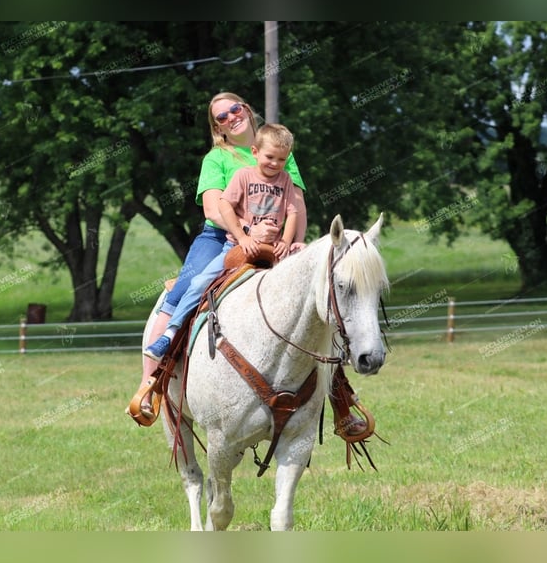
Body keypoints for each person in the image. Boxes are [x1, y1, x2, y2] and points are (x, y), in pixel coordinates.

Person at [130, 92, 368, 443]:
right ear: (218, 128)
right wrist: (246, 233)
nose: (230, 117)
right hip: (222, 237)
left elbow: (295, 205)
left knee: (317, 303)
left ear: (247, 109)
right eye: (221, 117)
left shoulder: (278, 149)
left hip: (277, 239)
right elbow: (214, 209)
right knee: (185, 288)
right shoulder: (217, 158)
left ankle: (341, 399)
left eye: (234, 109)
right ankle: (152, 381)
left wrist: (294, 242)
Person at [143, 123, 301, 361]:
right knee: (199, 283)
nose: (275, 164)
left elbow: (294, 212)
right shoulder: (243, 175)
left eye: (281, 159)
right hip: (236, 247)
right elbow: (224, 205)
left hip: (272, 249)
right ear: (255, 152)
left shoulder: (285, 179)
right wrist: (243, 236)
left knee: (301, 287)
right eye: (270, 157)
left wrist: (287, 241)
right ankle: (170, 334)